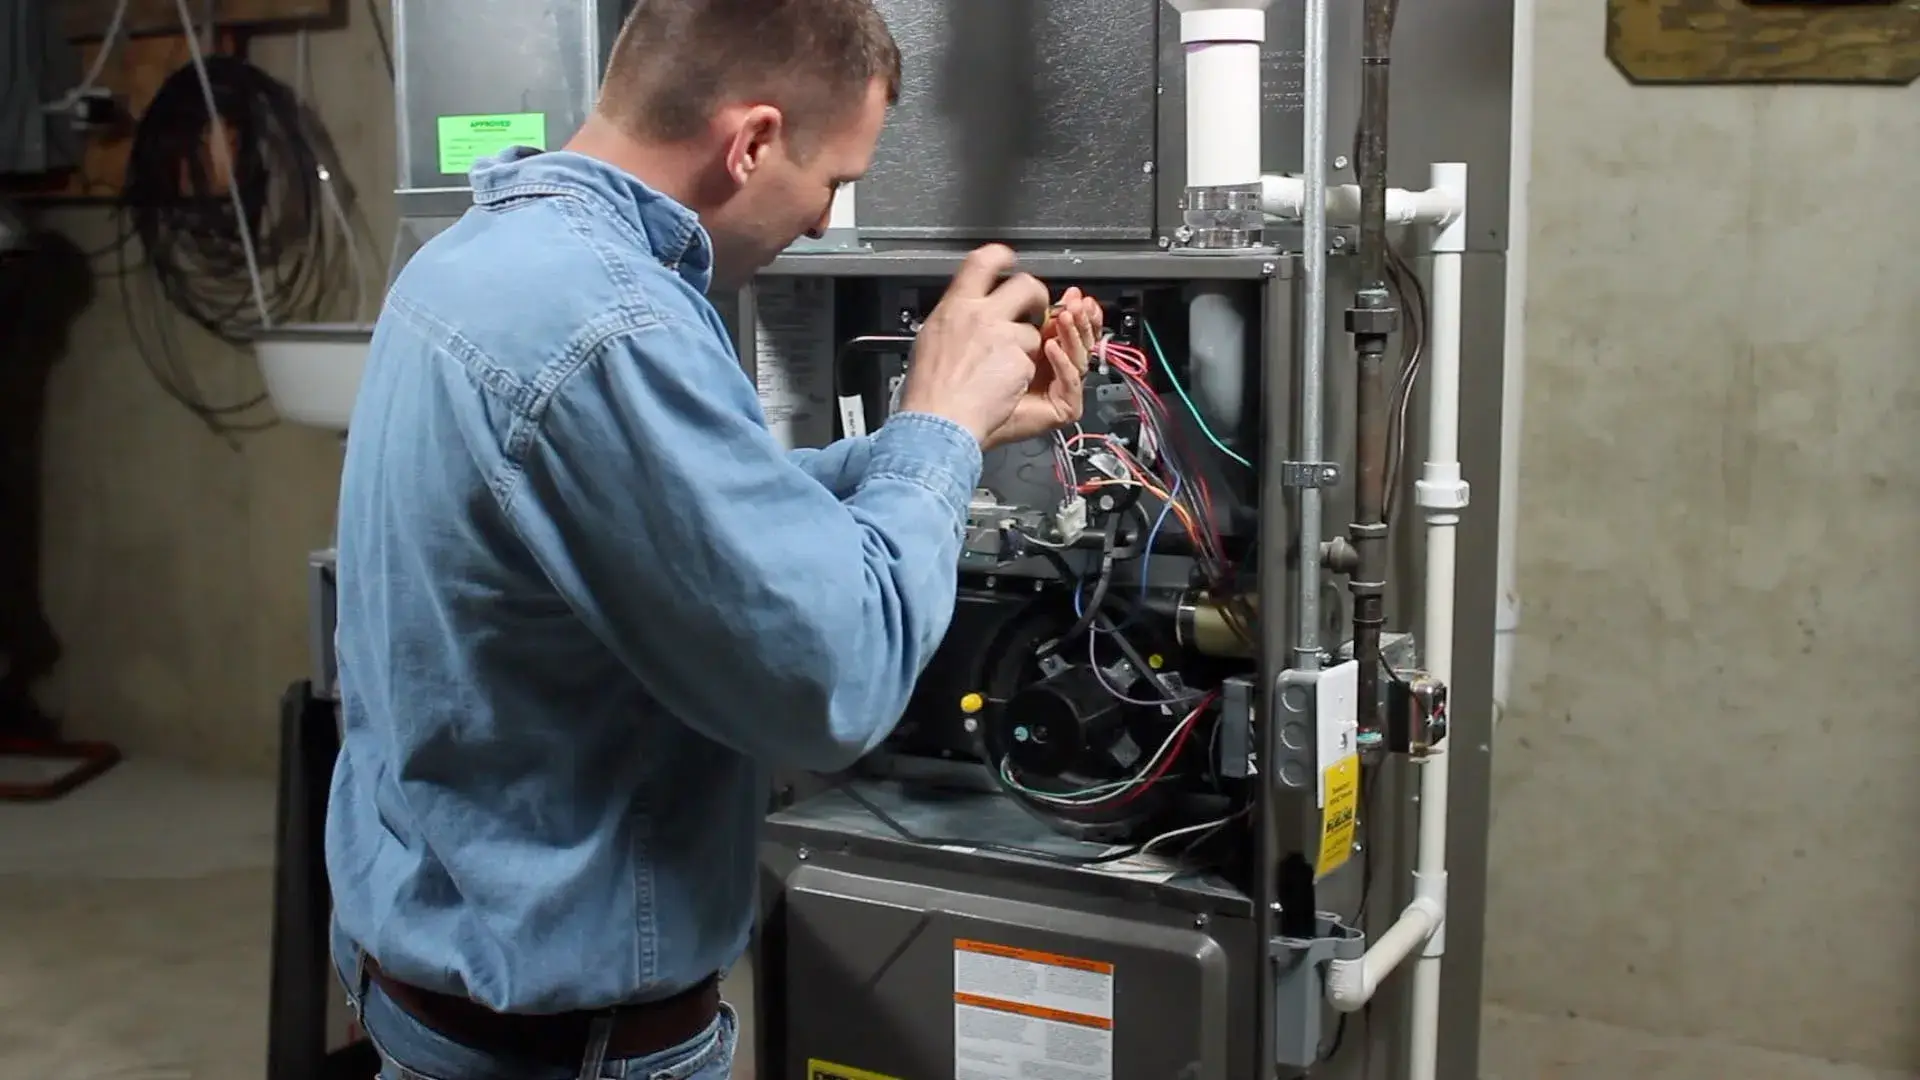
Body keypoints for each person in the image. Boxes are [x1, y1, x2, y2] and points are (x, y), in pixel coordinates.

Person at [324, 1, 1104, 1078]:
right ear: (750, 142)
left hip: (435, 986)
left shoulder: (485, 259)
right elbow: (840, 678)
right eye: (831, 180)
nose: (828, 222)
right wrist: (933, 424)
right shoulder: (608, 323)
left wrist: (948, 440)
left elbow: (695, 517)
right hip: (560, 1051)